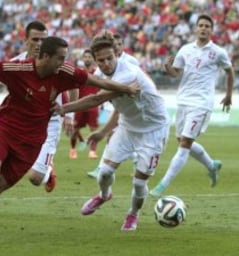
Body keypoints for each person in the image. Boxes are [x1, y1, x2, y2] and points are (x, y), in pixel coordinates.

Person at [0, 36, 140, 237]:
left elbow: (97, 82)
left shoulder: (65, 71)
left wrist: (125, 88)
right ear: (44, 57)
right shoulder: (18, 69)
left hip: (32, 142)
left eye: (65, 58)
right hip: (6, 128)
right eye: (60, 58)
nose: (64, 63)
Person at [53, 31, 169, 231]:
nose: (106, 63)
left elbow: (97, 99)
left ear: (117, 54)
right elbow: (118, 107)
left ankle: (133, 214)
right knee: (105, 172)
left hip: (153, 130)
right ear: (96, 61)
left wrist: (64, 109)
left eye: (110, 58)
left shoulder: (129, 74)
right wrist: (102, 133)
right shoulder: (100, 75)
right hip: (127, 126)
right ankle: (104, 195)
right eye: (101, 60)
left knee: (139, 184)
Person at [0, 20, 76, 218]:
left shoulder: (57, 62)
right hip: (21, 121)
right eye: (35, 39)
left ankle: (48, 173)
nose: (39, 44)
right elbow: (0, 81)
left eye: (43, 40)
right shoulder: (18, 62)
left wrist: (69, 114)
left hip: (50, 121)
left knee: (35, 178)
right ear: (25, 40)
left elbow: (75, 85)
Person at [149, 14, 234, 197]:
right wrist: (168, 68)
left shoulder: (218, 52)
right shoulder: (185, 49)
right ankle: (212, 166)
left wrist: (228, 95)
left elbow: (229, 71)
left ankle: (162, 185)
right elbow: (176, 73)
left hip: (202, 103)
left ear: (212, 30)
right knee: (182, 141)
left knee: (185, 143)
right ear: (196, 28)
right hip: (183, 101)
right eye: (201, 25)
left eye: (207, 26)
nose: (203, 28)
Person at [87, 33, 140, 178]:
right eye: (114, 43)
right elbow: (97, 79)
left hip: (128, 105)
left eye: (119, 43)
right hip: (113, 102)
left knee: (112, 135)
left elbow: (138, 80)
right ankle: (136, 161)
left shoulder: (130, 62)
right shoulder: (104, 62)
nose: (117, 46)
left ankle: (103, 167)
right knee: (115, 136)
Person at [69, 49, 99, 160]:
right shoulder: (79, 73)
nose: (87, 59)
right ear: (82, 59)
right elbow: (73, 88)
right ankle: (72, 149)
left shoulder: (97, 73)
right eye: (85, 57)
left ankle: (92, 151)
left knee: (94, 130)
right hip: (80, 105)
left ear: (93, 59)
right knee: (74, 129)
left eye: (89, 57)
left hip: (93, 105)